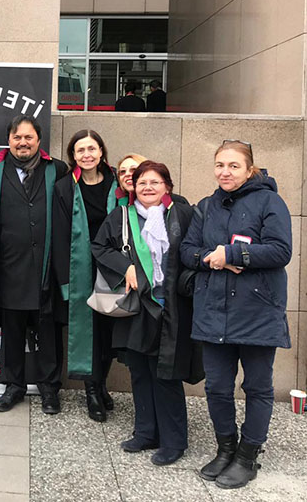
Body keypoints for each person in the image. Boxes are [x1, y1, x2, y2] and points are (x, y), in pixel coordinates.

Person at [180, 140, 292, 489]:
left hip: (257, 310)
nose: (225, 172)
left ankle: (247, 456)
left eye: (233, 166)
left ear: (249, 169)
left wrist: (232, 254)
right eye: (220, 165)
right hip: (213, 311)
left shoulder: (270, 202)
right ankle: (225, 449)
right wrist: (210, 259)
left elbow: (280, 250)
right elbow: (187, 250)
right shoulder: (206, 206)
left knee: (257, 386)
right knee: (216, 387)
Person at [93, 161, 200, 466]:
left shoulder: (181, 215)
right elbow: (100, 248)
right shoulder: (121, 216)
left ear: (167, 186)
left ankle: (174, 441)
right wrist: (125, 267)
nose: (148, 188)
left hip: (170, 307)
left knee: (165, 374)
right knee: (139, 371)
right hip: (137, 306)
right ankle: (145, 432)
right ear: (133, 187)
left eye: (155, 182)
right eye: (142, 183)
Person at [0, 115, 68, 414]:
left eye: (28, 137)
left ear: (39, 140)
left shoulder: (57, 170)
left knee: (48, 330)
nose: (23, 143)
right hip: (9, 267)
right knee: (11, 330)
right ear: (9, 140)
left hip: (47, 266)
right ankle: (14, 386)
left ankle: (49, 388)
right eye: (17, 137)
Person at [51, 129, 118, 422]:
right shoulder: (64, 188)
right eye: (81, 150)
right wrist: (65, 280)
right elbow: (59, 235)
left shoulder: (118, 184)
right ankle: (91, 391)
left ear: (101, 151)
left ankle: (102, 384)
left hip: (113, 267)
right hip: (82, 268)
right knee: (89, 332)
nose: (87, 155)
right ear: (73, 155)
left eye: (92, 149)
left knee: (109, 331)